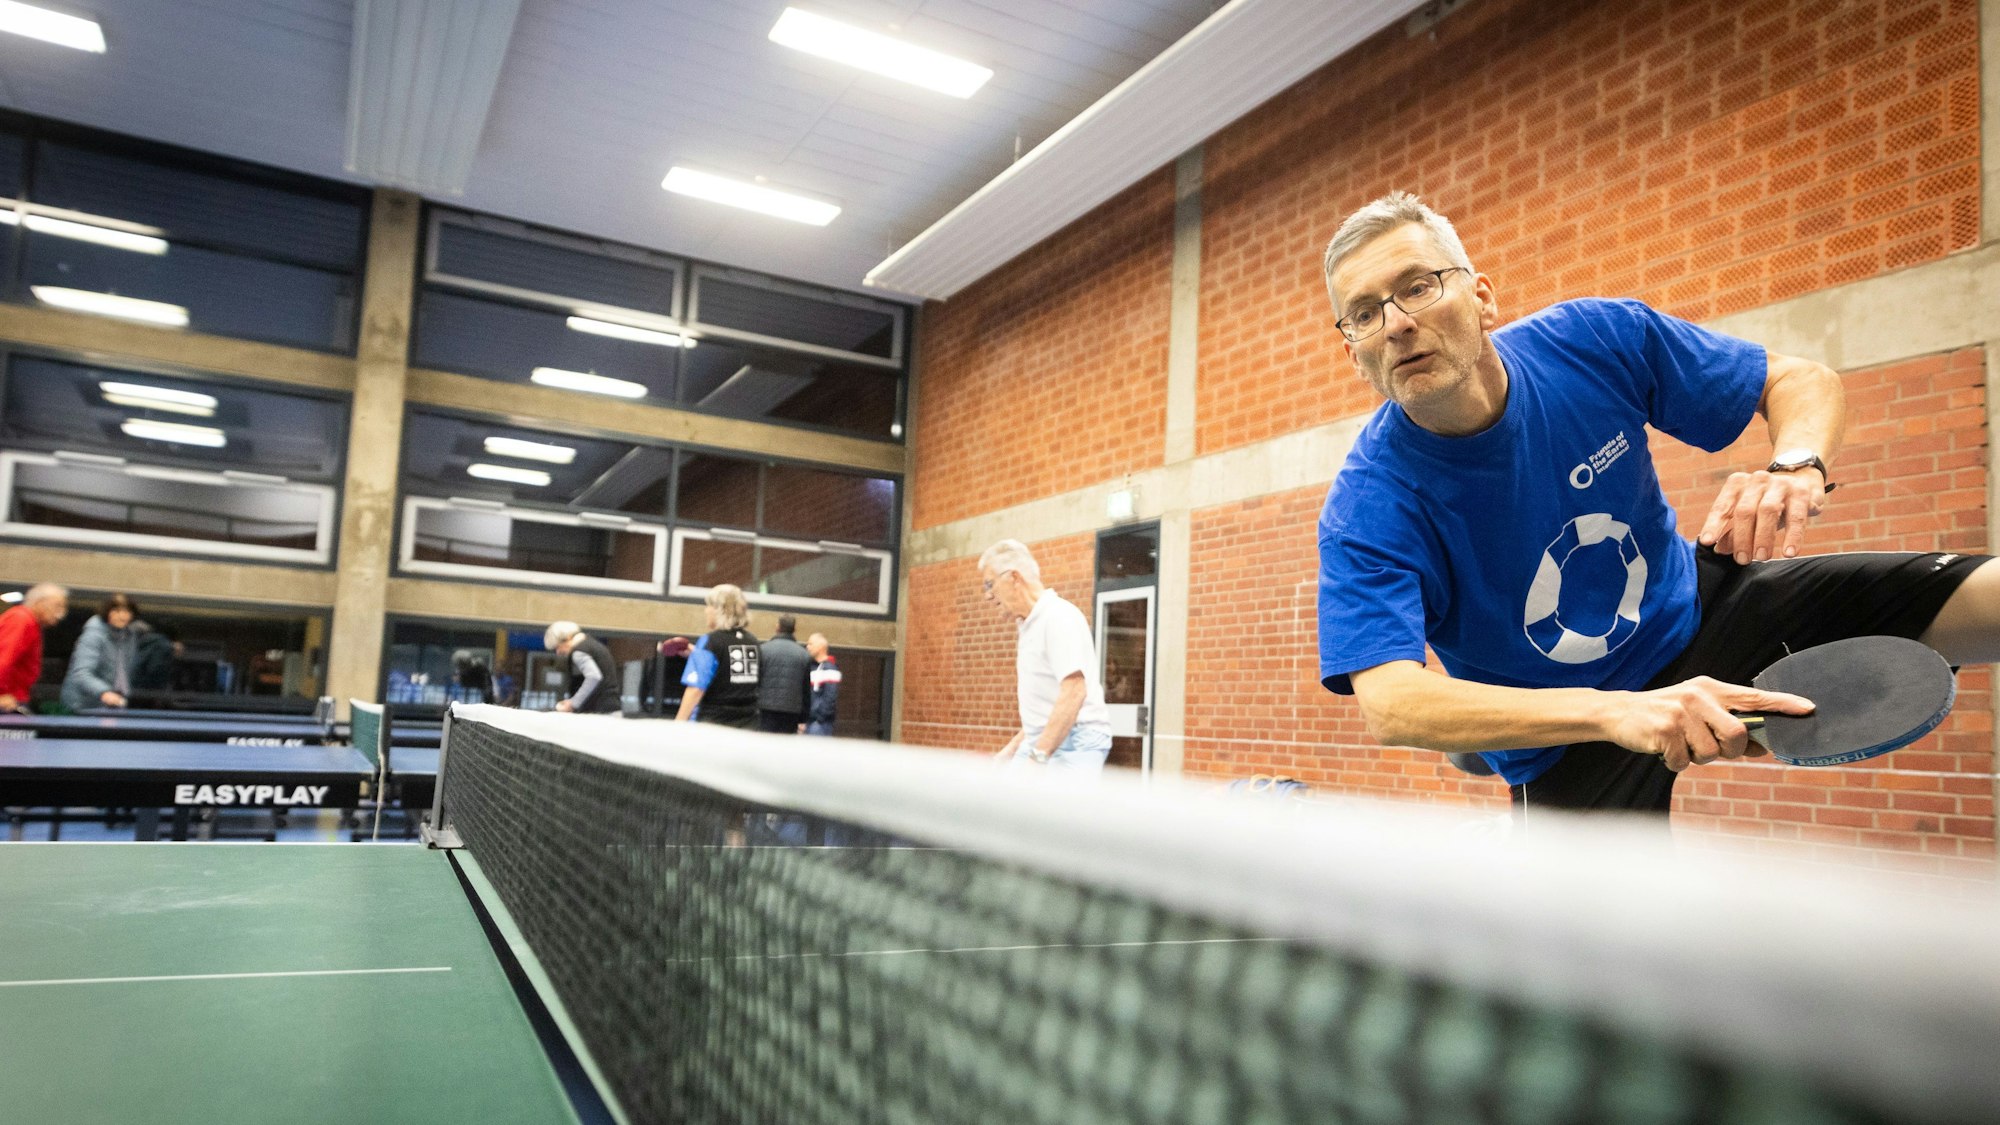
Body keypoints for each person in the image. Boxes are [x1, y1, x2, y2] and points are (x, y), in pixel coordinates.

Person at [1314, 190, 2000, 812]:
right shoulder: (1368, 505)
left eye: (1417, 287)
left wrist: (1796, 467)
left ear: (1482, 298)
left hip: (1695, 613)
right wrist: (1614, 712)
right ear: (1355, 352)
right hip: (1564, 739)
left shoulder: (1592, 341)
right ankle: (1484, 749)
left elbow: (1799, 381)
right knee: (1600, 949)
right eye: (1365, 314)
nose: (1397, 323)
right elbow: (1391, 701)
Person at [979, 539, 1112, 775]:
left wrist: (1038, 756)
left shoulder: (1058, 617)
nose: (988, 596)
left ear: (1014, 578)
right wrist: (1012, 748)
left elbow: (1074, 692)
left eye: (990, 584)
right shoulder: (1030, 624)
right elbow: (1046, 708)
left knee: (1052, 811)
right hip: (1043, 738)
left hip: (1076, 741)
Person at [675, 584, 762, 728]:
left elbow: (695, 689)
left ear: (719, 610)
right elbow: (728, 666)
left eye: (709, 606)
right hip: (749, 725)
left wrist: (678, 724)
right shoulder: (753, 642)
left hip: (714, 726)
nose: (706, 611)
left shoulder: (710, 641)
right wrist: (697, 654)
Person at [60, 593, 143, 711]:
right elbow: (81, 673)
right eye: (117, 611)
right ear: (107, 612)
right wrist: (104, 692)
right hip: (83, 704)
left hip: (114, 702)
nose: (122, 616)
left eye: (127, 612)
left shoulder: (130, 636)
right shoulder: (93, 634)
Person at [0, 584, 67, 713]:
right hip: (7, 702)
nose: (61, 614)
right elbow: (2, 659)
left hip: (14, 699)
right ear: (40, 603)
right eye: (57, 606)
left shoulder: (29, 622)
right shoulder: (21, 619)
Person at [544, 621, 620, 714]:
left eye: (558, 647)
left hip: (597, 710)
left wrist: (573, 703)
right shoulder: (594, 645)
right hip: (611, 705)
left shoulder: (579, 652)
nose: (558, 652)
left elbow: (593, 677)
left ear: (568, 638)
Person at [755, 614, 811, 734]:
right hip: (791, 711)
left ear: (777, 627)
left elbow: (756, 682)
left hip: (765, 709)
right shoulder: (804, 655)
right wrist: (803, 717)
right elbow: (806, 690)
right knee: (785, 748)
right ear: (794, 629)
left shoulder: (762, 650)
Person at [804, 632, 841, 735]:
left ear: (820, 647)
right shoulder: (811, 667)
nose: (807, 647)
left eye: (811, 644)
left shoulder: (830, 668)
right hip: (810, 722)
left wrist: (819, 718)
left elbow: (830, 697)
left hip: (819, 724)